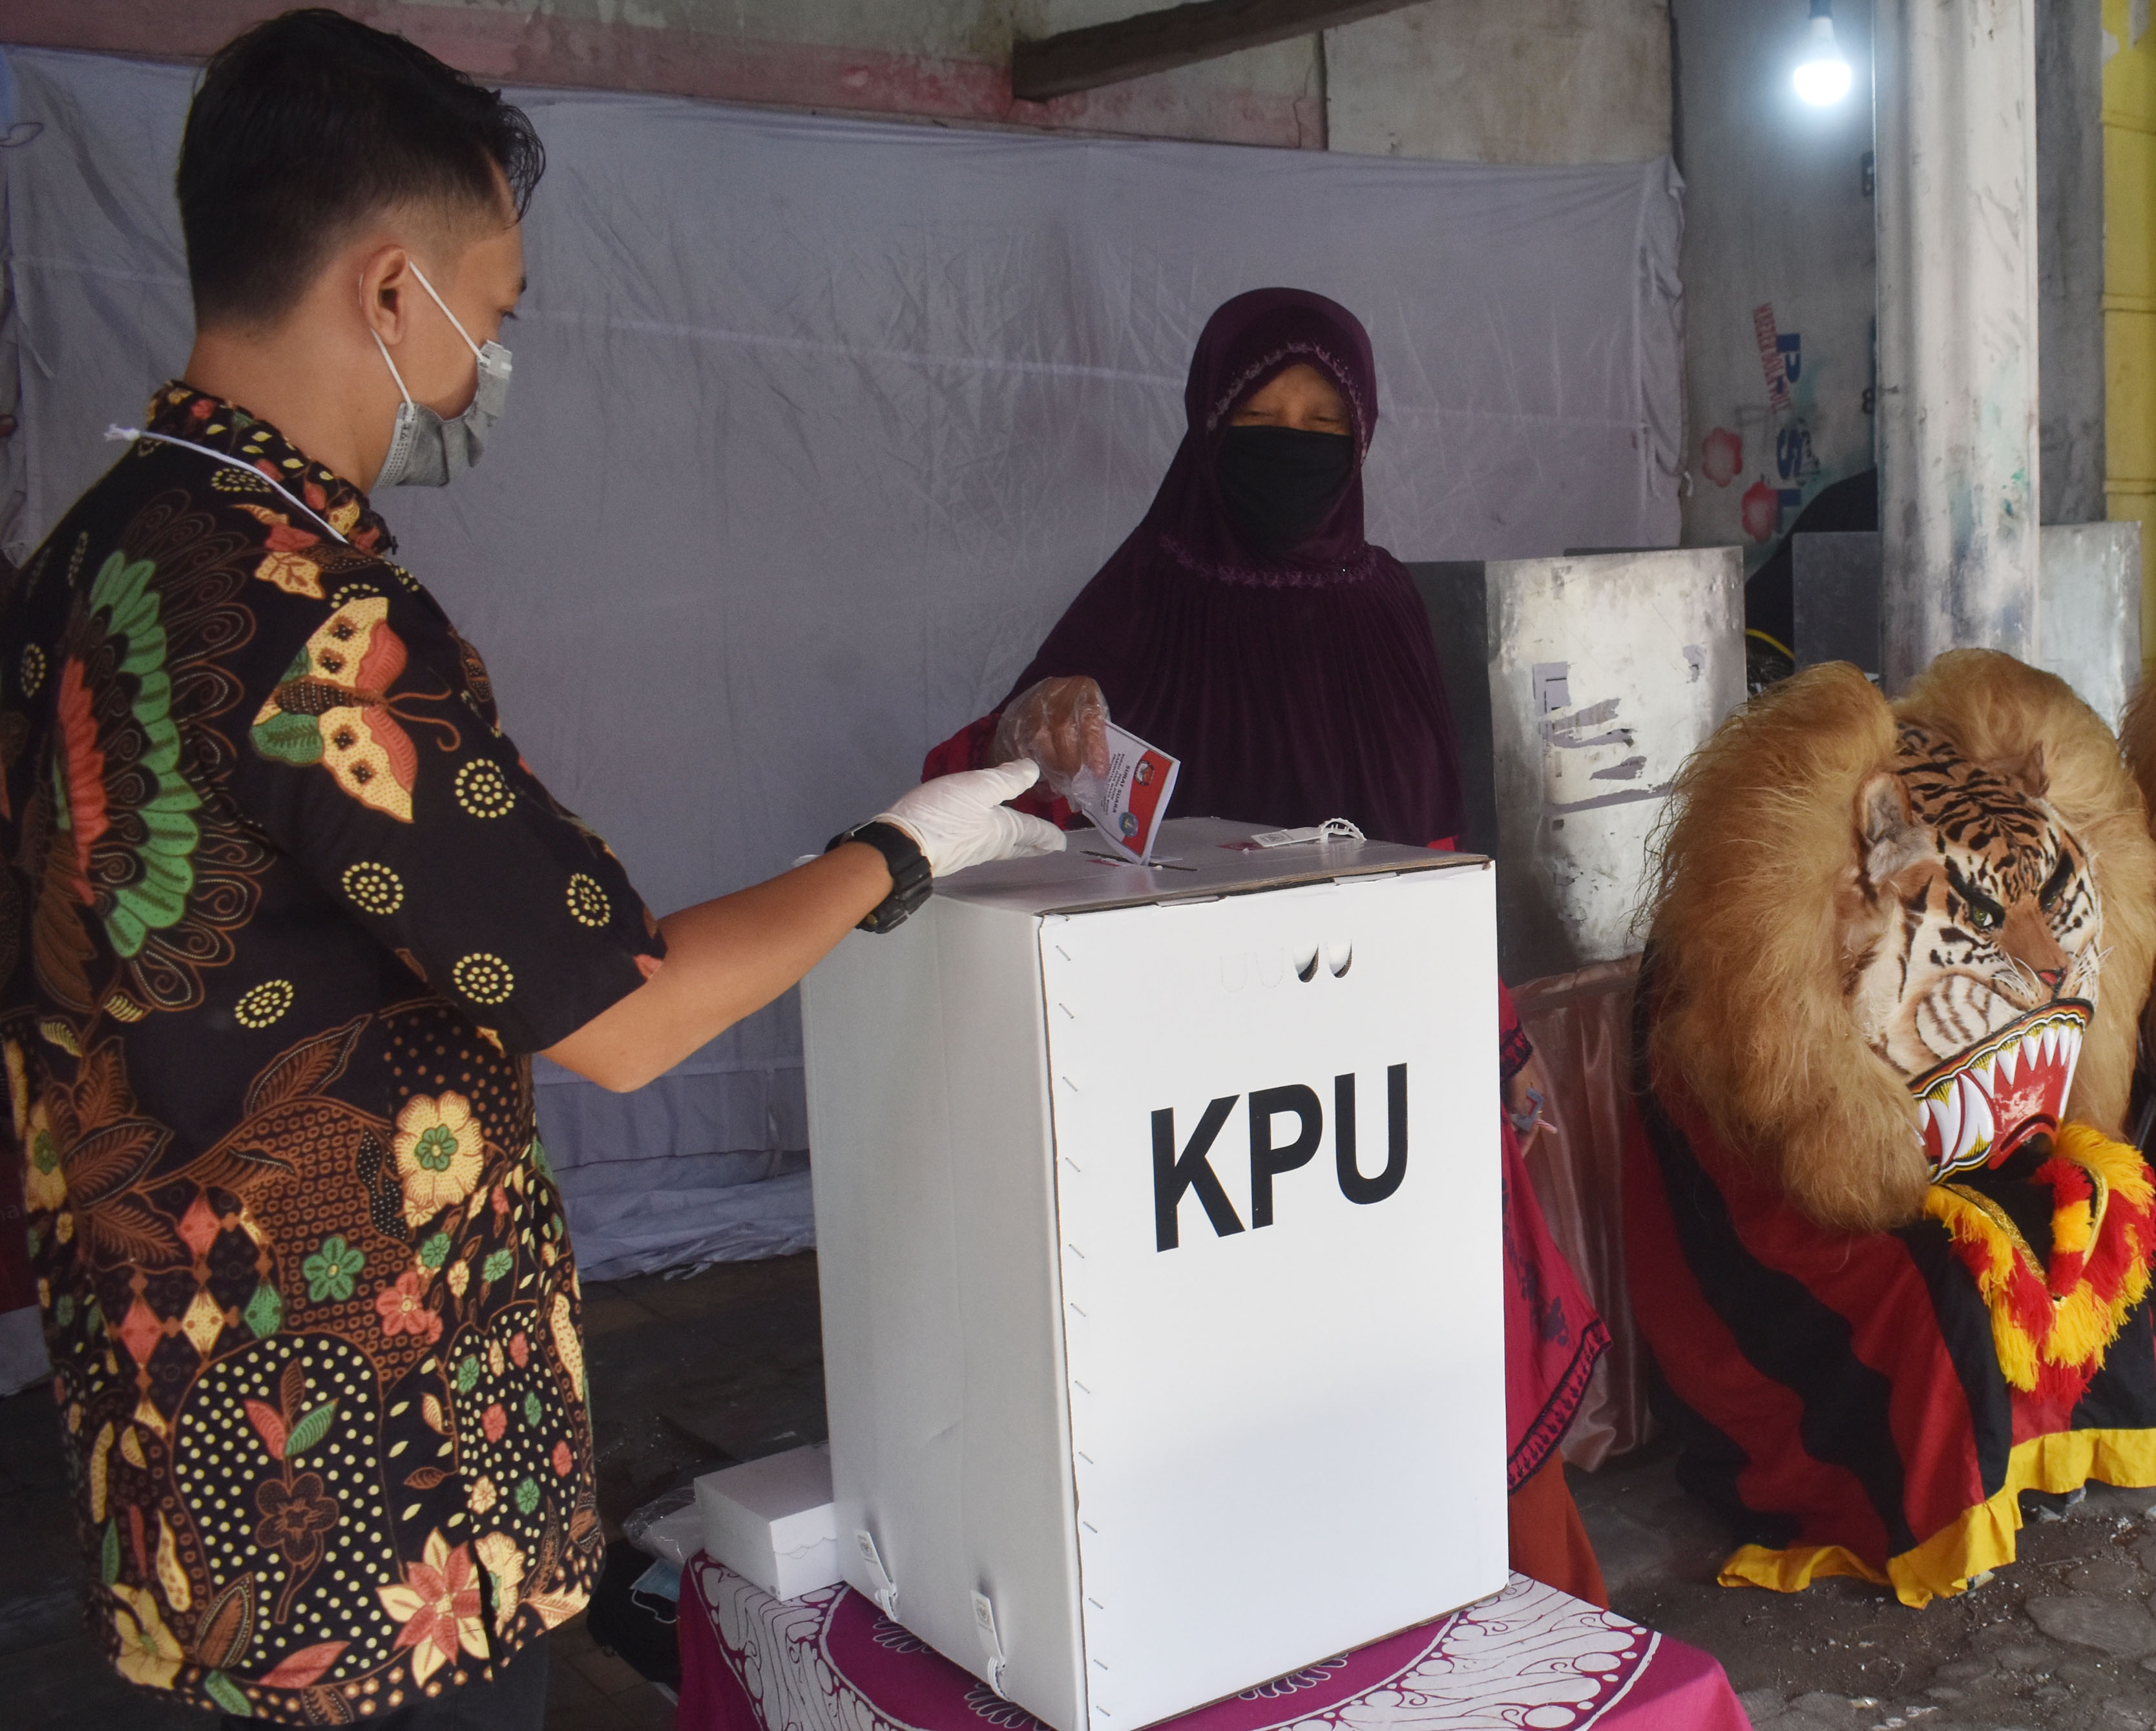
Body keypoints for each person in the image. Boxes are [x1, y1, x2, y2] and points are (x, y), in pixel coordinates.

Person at [2, 14, 1060, 1726]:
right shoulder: (304, 618)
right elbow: (617, 1015)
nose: (491, 361)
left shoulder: (75, 568)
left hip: (167, 1476)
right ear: (388, 287)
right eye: (490, 318)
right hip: (365, 1520)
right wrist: (893, 853)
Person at [925, 288, 1614, 1604]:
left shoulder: (1386, 605)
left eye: (1323, 421)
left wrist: (1491, 1026)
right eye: (1260, 415)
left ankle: (1482, 1635)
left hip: (1388, 1054)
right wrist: (1039, 719)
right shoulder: (1141, 599)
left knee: (1433, 1360)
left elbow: (1436, 838)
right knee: (1247, 1386)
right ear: (1203, 425)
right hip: (1199, 1074)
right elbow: (995, 792)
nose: (1292, 443)